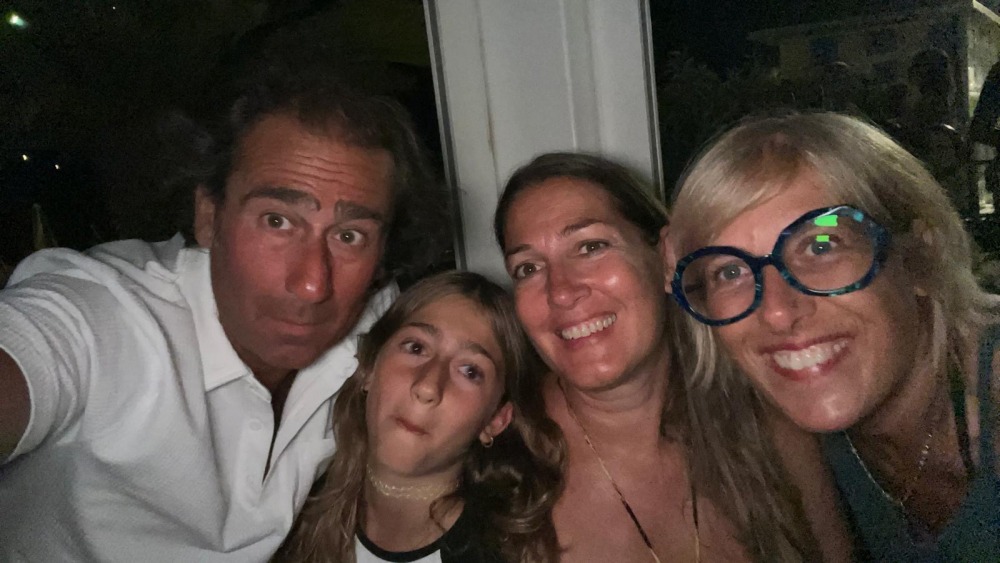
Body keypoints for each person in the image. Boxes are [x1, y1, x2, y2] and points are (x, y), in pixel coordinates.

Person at [0, 62, 449, 560]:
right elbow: (37, 346)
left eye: (349, 236)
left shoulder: (373, 322)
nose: (312, 284)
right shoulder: (104, 316)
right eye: (277, 221)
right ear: (209, 218)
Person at [670, 111, 1000, 560]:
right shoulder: (792, 443)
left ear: (921, 256)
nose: (778, 312)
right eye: (730, 271)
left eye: (821, 246)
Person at [493, 153, 851, 562]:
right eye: (527, 269)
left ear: (666, 258)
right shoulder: (498, 467)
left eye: (590, 246)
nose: (560, 291)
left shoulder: (767, 424)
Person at [276, 270, 564, 562]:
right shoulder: (288, 508)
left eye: (470, 371)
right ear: (369, 369)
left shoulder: (498, 554)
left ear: (496, 419)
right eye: (416, 348)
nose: (427, 387)